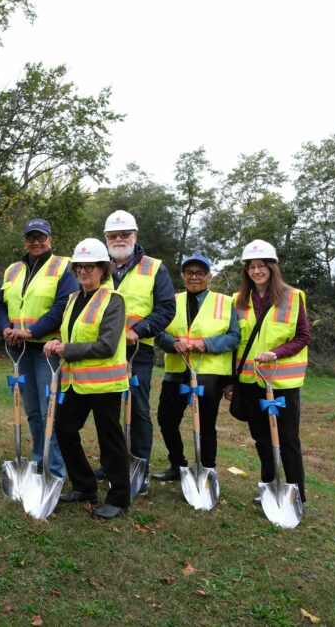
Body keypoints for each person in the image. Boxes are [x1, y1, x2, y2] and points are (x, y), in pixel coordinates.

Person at [45, 238, 130, 520]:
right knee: (65, 429)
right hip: (76, 382)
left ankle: (119, 497)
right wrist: (57, 340)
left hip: (105, 384)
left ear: (103, 269)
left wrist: (66, 349)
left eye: (90, 267)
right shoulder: (73, 299)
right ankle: (84, 486)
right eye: (79, 267)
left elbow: (106, 345)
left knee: (110, 440)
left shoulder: (113, 300)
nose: (84, 272)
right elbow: (73, 334)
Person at [98, 210, 176, 493]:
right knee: (106, 409)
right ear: (106, 238)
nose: (119, 239)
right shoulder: (97, 265)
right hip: (102, 350)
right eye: (113, 235)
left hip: (136, 351)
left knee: (138, 408)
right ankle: (111, 464)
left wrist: (138, 331)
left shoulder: (155, 268)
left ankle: (138, 467)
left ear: (135, 236)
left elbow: (166, 308)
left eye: (124, 234)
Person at [0, 218, 76, 480]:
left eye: (41, 237)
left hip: (47, 352)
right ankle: (39, 461)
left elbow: (62, 306)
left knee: (48, 410)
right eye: (31, 237)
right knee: (31, 411)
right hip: (19, 350)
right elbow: (0, 305)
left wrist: (32, 332)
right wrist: (5, 328)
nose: (36, 242)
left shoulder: (64, 267)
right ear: (25, 240)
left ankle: (54, 469)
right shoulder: (13, 270)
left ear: (50, 239)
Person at [231, 240, 309, 504]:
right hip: (250, 380)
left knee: (287, 439)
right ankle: (269, 486)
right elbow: (235, 342)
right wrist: (233, 381)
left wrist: (278, 352)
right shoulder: (238, 301)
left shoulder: (293, 296)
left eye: (262, 266)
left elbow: (303, 336)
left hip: (282, 381)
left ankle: (296, 492)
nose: (256, 271)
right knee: (262, 438)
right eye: (251, 267)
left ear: (272, 268)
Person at [152, 254, 240, 481]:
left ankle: (207, 469)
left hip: (210, 373)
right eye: (189, 273)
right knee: (166, 418)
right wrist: (172, 343)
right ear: (182, 276)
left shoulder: (225, 302)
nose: (194, 277)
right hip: (176, 370)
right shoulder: (171, 300)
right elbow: (157, 332)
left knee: (206, 423)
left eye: (200, 273)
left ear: (209, 276)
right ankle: (178, 465)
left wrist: (206, 344)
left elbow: (234, 337)